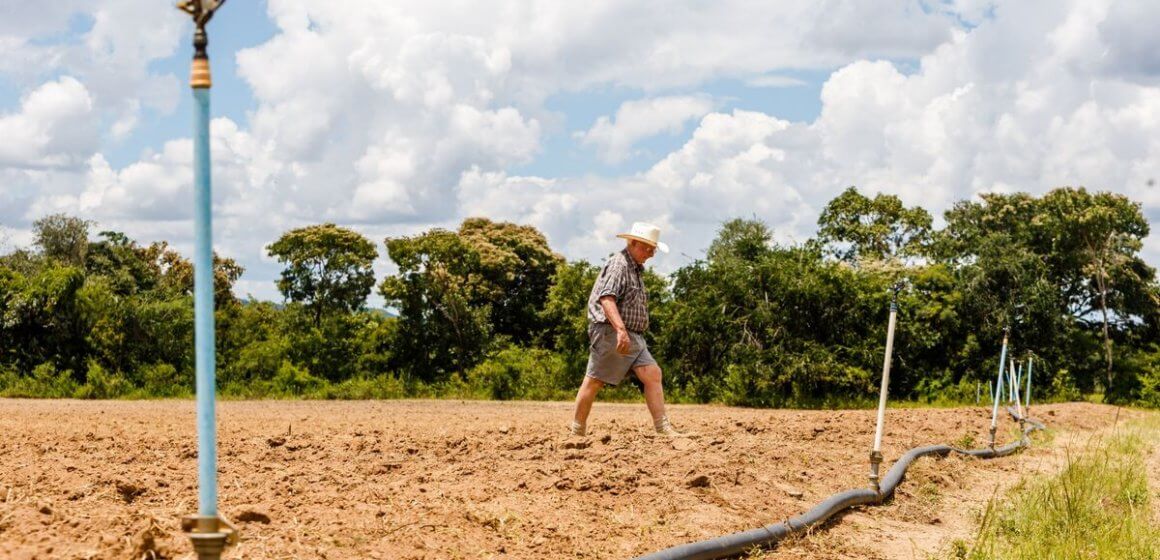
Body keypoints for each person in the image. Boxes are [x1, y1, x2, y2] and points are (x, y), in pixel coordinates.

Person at [569, 222, 691, 437]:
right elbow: (607, 299)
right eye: (648, 248)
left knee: (652, 373)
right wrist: (620, 330)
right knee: (595, 380)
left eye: (653, 249)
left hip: (632, 335)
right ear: (633, 243)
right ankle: (577, 431)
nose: (652, 254)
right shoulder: (619, 265)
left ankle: (663, 429)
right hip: (611, 331)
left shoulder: (635, 268)